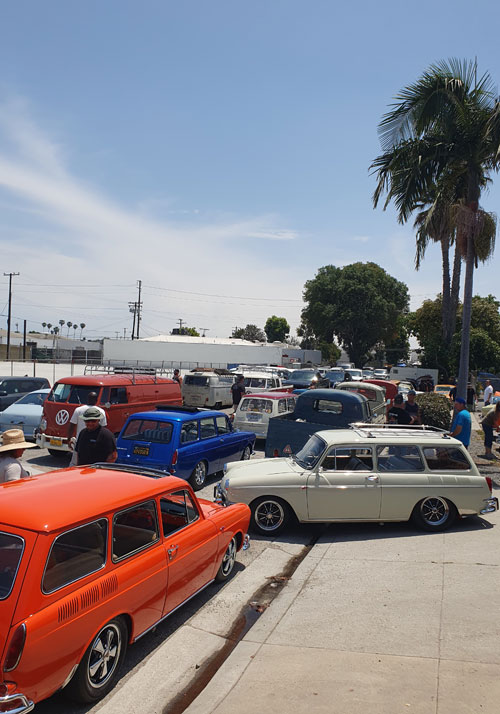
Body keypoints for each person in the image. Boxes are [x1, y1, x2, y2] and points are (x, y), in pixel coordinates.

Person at [68, 392, 107, 466]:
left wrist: (69, 439)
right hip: (95, 443)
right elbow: (103, 428)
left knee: (75, 464)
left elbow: (72, 425)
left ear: (87, 399)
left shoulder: (78, 410)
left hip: (80, 442)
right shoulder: (101, 411)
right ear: (97, 400)